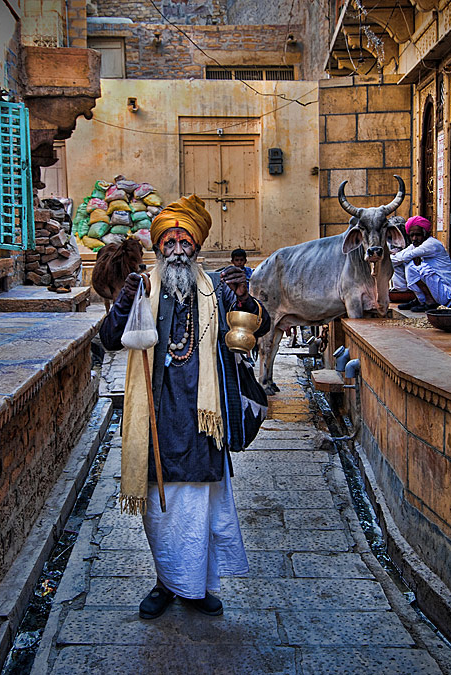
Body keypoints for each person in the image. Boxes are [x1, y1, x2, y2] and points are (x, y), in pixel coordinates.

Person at [99, 194, 270, 620]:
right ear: (158, 248)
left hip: (202, 421)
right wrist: (126, 298)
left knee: (201, 507)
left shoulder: (216, 289)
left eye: (185, 242)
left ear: (196, 247)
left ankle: (198, 587)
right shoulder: (145, 287)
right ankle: (165, 583)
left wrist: (245, 298)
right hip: (157, 417)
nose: (177, 250)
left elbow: (258, 326)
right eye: (169, 242)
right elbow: (108, 338)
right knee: (162, 509)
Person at [390, 215, 451, 312]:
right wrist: (387, 257)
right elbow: (398, 258)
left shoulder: (432, 244)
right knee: (404, 264)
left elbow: (406, 256)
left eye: (418, 235)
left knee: (416, 266)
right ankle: (420, 299)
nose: (414, 238)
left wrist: (385, 257)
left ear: (425, 234)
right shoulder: (415, 245)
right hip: (436, 288)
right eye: (412, 235)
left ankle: (431, 302)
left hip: (445, 293)